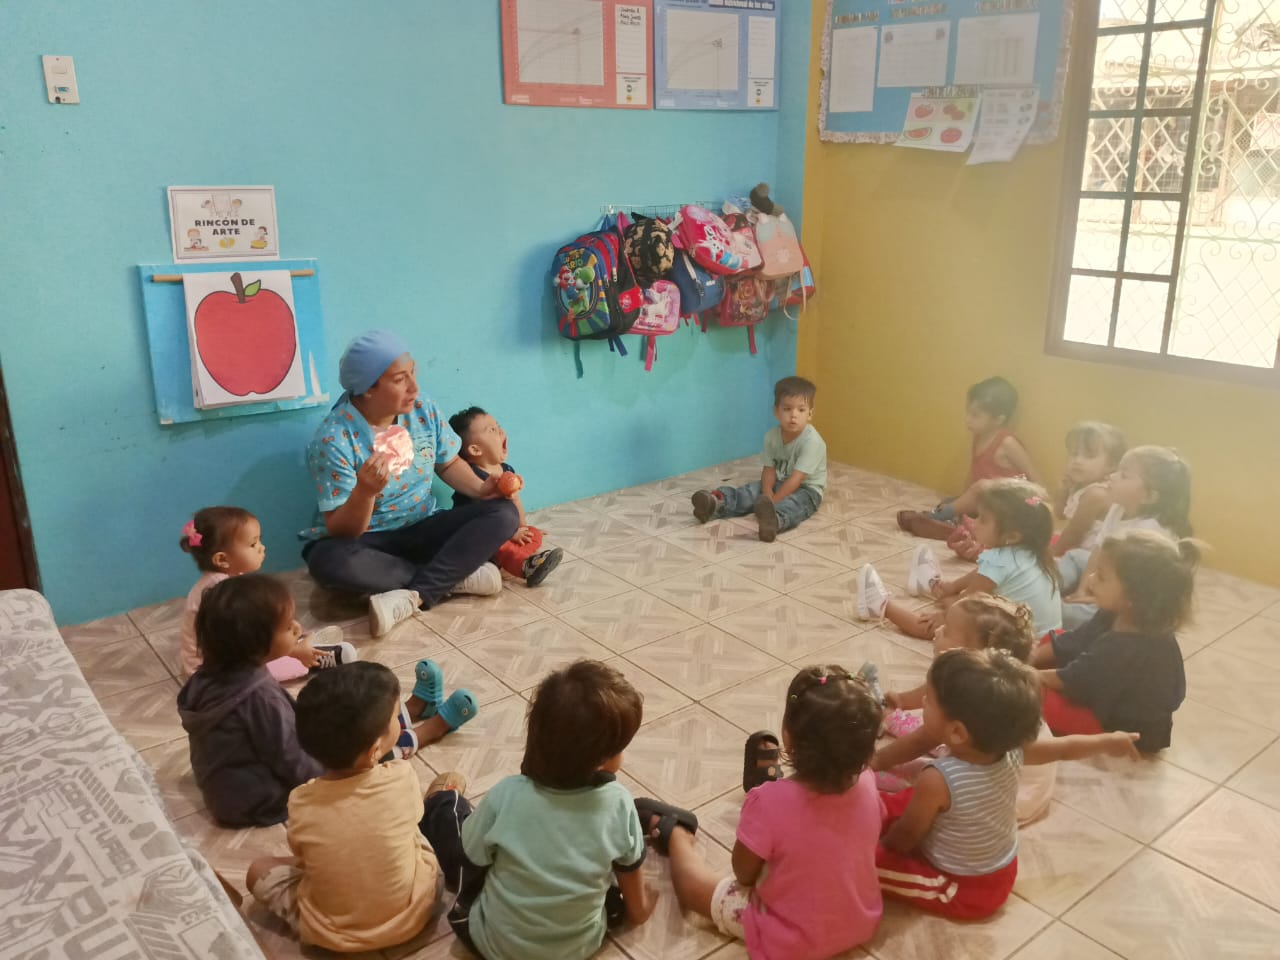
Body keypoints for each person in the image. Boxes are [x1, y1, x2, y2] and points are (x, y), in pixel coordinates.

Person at [636, 666, 884, 960]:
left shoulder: (768, 803)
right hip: (859, 921)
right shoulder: (868, 782)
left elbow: (743, 874)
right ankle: (770, 779)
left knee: (693, 888)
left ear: (787, 737)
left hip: (791, 938)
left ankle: (677, 834)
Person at [877, 648, 1140, 919]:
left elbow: (905, 837)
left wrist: (881, 847)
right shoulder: (1013, 750)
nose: (922, 702)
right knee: (904, 802)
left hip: (963, 888)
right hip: (1003, 868)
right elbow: (1064, 748)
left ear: (956, 732)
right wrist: (1108, 741)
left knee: (865, 865)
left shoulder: (936, 779)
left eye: (929, 701)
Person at [244, 662, 478, 953]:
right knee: (415, 835)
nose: (398, 723)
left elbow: (302, 857)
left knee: (258, 870)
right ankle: (442, 796)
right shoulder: (400, 776)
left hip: (331, 935)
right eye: (395, 718)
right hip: (415, 914)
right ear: (375, 751)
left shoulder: (301, 801)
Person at [300, 330, 519, 638]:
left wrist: (484, 489)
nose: (414, 387)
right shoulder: (334, 439)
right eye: (400, 379)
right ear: (368, 388)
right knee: (328, 562)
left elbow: (448, 463)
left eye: (413, 373)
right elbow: (341, 530)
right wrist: (365, 493)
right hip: (370, 541)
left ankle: (415, 594)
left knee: (504, 513)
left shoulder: (422, 408)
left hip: (424, 525)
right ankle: (454, 577)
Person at [450, 661, 655, 960]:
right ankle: (653, 822)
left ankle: (443, 800)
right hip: (577, 949)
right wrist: (644, 907)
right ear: (601, 760)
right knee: (608, 883)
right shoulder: (619, 804)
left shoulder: (506, 794)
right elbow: (636, 908)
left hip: (495, 946)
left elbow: (472, 855)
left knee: (452, 817)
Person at [871, 594, 1057, 825]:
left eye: (947, 630)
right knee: (936, 725)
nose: (939, 630)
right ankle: (895, 720)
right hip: (1016, 776)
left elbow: (921, 740)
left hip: (1004, 799)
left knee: (918, 780)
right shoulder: (988, 680)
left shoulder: (973, 700)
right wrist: (902, 699)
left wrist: (874, 762)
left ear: (974, 653)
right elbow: (933, 691)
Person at [176, 575, 324, 827]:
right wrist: (329, 780)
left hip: (223, 793)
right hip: (257, 802)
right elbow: (290, 757)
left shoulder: (207, 675)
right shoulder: (260, 696)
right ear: (255, 644)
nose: (297, 628)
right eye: (287, 626)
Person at [1032, 530, 1194, 752]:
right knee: (1055, 637)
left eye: (1101, 577)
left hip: (1117, 727)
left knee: (1027, 696)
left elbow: (1071, 680)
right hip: (1097, 687)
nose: (1090, 581)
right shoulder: (1115, 613)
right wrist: (1029, 657)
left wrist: (1018, 673)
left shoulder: (1128, 646)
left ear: (1133, 596)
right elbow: (1074, 640)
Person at [859, 478, 1062, 640]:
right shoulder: (1032, 552)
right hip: (1040, 641)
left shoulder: (999, 560)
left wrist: (943, 617)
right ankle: (933, 586)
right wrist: (953, 587)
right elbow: (982, 575)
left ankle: (880, 605)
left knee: (935, 626)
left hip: (1013, 645)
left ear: (1012, 536)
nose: (975, 523)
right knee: (955, 601)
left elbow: (968, 602)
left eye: (983, 520)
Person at [179, 505, 355, 680]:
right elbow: (248, 643)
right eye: (253, 544)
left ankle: (299, 647)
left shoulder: (222, 584)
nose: (261, 548)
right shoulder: (227, 597)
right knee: (283, 663)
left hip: (219, 655)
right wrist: (293, 652)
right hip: (213, 672)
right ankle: (309, 661)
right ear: (222, 559)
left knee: (278, 633)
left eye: (259, 541)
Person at [1058, 445, 1192, 629]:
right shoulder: (1118, 507)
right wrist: (1083, 589)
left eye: (1124, 475)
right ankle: (1045, 582)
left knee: (1077, 615)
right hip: (1108, 573)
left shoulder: (1150, 534)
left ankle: (1043, 605)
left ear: (1148, 496)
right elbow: (1099, 548)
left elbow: (1130, 593)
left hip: (1128, 598)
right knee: (1075, 556)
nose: (1112, 476)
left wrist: (1095, 597)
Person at [896, 377, 1040, 540]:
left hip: (1009, 509)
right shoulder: (980, 436)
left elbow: (1035, 479)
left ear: (998, 420)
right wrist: (963, 499)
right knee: (952, 501)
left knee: (981, 488)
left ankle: (935, 518)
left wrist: (1034, 508)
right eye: (968, 412)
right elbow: (974, 474)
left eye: (975, 415)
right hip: (986, 504)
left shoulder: (1007, 443)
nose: (967, 419)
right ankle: (955, 526)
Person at [691, 376, 827, 543]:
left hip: (807, 488)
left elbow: (796, 479)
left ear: (810, 414)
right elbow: (769, 469)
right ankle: (717, 502)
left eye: (801, 410)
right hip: (779, 481)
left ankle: (774, 520)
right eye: (787, 409)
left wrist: (774, 501)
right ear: (776, 411)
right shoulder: (771, 437)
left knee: (796, 504)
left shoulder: (812, 442)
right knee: (751, 491)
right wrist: (767, 491)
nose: (793, 415)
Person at [448, 406, 563, 587]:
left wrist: (522, 528)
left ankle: (508, 561)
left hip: (505, 531)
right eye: (491, 430)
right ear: (475, 449)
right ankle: (525, 566)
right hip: (477, 537)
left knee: (532, 533)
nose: (500, 431)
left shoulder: (507, 470)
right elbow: (482, 523)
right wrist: (510, 532)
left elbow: (516, 510)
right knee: (500, 544)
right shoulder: (472, 480)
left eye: (498, 426)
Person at [1051, 421, 1127, 556]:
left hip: (1088, 555)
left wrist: (1049, 556)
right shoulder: (1080, 484)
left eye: (1089, 456)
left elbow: (1073, 535)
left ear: (1111, 465)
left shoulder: (1096, 494)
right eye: (1074, 454)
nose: (1077, 461)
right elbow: (1060, 514)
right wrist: (1063, 493)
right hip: (1073, 546)